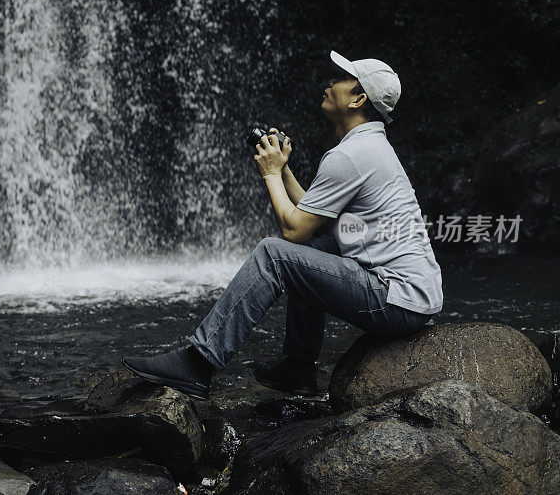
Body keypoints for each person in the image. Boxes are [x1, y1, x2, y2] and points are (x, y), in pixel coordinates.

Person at [121, 50, 443, 400]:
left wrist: (271, 173)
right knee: (308, 252)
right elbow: (314, 221)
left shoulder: (350, 156)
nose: (330, 82)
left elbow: (293, 230)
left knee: (275, 254)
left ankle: (198, 364)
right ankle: (298, 369)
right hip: (411, 296)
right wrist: (285, 170)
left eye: (341, 79)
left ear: (358, 98)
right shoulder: (367, 147)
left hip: (396, 299)